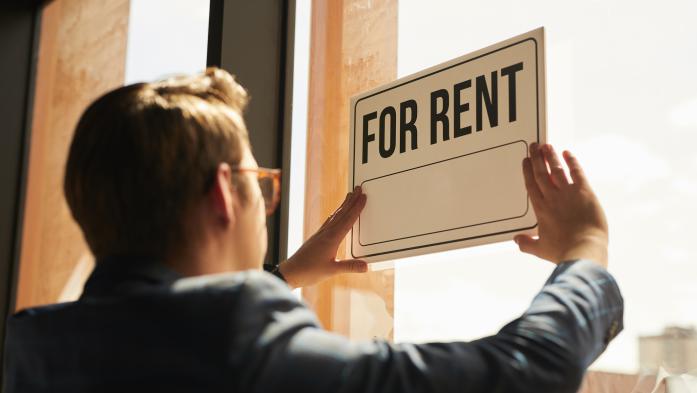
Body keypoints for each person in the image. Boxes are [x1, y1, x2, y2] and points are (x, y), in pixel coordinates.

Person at [3, 68, 623, 393]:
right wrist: (584, 250)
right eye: (260, 182)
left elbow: (165, 343)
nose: (266, 205)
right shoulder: (238, 331)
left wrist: (289, 275)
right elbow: (523, 374)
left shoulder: (33, 345)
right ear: (225, 193)